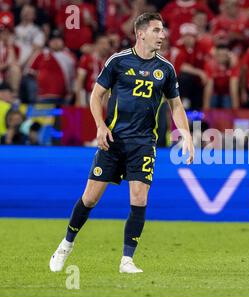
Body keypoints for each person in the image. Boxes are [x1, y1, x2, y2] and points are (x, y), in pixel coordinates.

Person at [49, 13, 195, 274]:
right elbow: (96, 96)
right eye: (157, 30)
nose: (163, 35)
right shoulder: (118, 61)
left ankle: (127, 259)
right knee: (90, 198)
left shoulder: (166, 68)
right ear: (141, 34)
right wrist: (100, 126)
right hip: (113, 141)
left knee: (139, 198)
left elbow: (175, 105)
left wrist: (186, 135)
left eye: (162, 31)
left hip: (143, 143)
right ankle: (65, 245)